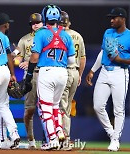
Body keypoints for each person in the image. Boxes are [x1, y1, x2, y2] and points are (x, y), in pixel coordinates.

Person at [86, 7, 130, 151]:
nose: (111, 20)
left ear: (123, 19)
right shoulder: (108, 32)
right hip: (104, 71)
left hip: (120, 73)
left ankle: (115, 140)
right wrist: (92, 70)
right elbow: (103, 52)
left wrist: (121, 59)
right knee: (98, 106)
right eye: (111, 17)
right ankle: (112, 134)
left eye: (114, 17)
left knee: (118, 109)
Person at [24, 4, 75, 150]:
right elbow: (71, 60)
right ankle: (59, 130)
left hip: (47, 72)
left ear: (45, 17)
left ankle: (52, 139)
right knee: (54, 106)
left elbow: (34, 57)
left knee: (44, 107)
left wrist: (28, 76)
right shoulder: (66, 35)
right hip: (62, 73)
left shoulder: (41, 33)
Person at [13, 13, 43, 149]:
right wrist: (18, 59)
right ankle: (31, 141)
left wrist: (29, 62)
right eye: (33, 23)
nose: (35, 25)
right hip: (31, 76)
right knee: (29, 110)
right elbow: (17, 58)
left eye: (38, 22)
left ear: (43, 23)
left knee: (47, 109)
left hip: (45, 75)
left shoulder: (48, 36)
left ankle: (50, 139)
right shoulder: (25, 40)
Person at [59, 11, 86, 148]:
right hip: (75, 72)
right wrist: (80, 74)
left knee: (61, 106)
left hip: (63, 71)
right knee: (67, 106)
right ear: (69, 22)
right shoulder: (78, 36)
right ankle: (65, 137)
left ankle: (64, 139)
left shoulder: (59, 35)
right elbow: (82, 58)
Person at [0, 12, 16, 148]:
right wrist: (12, 73)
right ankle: (10, 136)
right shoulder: (4, 38)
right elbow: (8, 56)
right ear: (5, 25)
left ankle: (2, 138)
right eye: (8, 24)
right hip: (4, 72)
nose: (9, 26)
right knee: (3, 106)